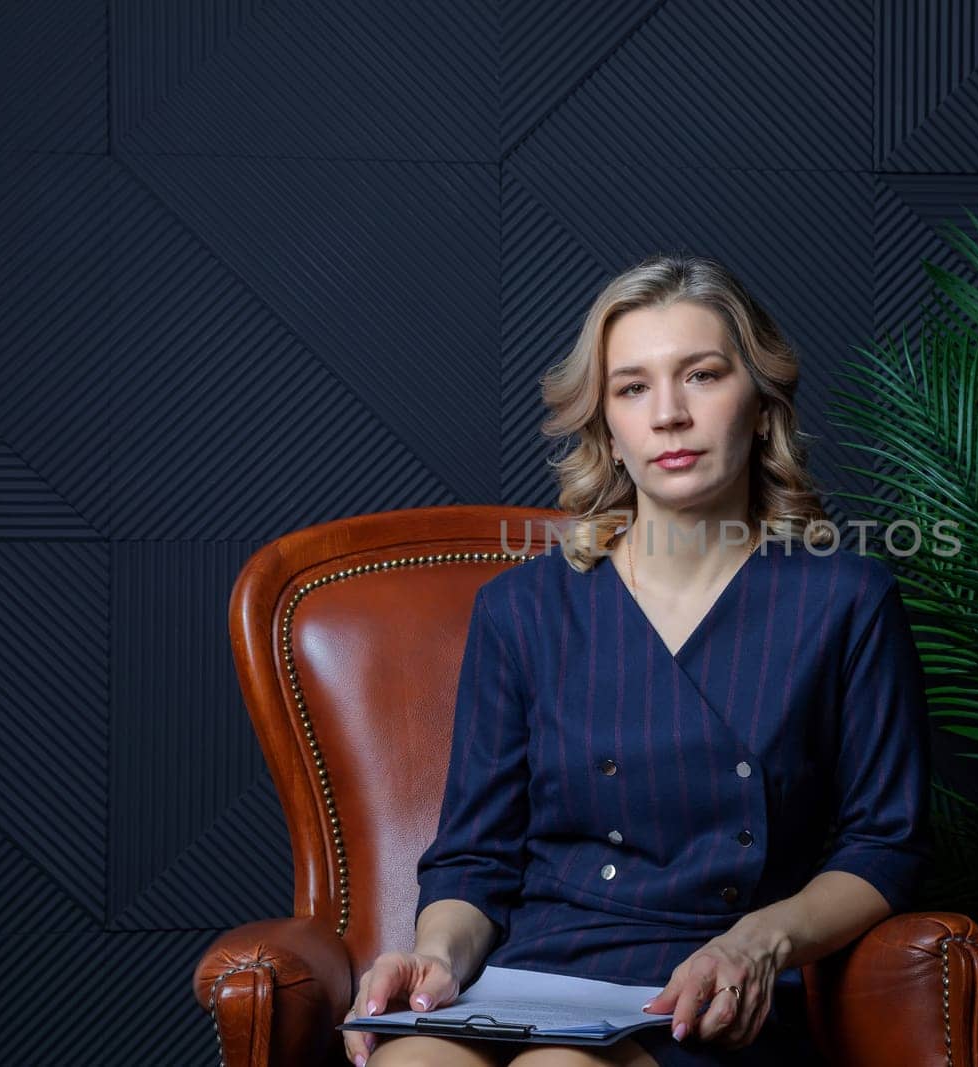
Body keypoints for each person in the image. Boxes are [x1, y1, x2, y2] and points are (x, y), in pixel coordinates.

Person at [343, 253, 934, 1066]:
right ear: (608, 431)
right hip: (533, 970)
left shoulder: (846, 599)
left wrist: (759, 941)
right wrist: (438, 955)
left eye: (702, 375)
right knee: (413, 1062)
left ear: (760, 406)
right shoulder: (522, 609)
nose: (669, 414)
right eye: (632, 387)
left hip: (716, 983)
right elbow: (474, 858)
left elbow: (885, 845)